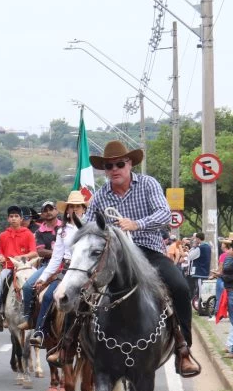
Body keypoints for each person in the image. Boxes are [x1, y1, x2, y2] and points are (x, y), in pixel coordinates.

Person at [84, 140, 199, 377]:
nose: (114, 169)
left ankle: (183, 349)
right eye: (108, 166)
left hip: (148, 252)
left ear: (129, 164)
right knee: (78, 287)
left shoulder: (148, 184)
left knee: (179, 287)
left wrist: (137, 224)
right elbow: (87, 223)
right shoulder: (99, 196)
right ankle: (68, 344)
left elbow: (164, 213)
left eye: (119, 164)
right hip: (114, 256)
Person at [29, 191, 87, 349]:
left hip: (87, 272)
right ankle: (40, 331)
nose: (75, 209)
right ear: (67, 210)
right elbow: (56, 258)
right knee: (48, 295)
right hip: (67, 270)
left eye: (78, 206)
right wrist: (43, 277)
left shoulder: (90, 227)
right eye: (72, 207)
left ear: (84, 209)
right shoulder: (62, 231)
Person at [0, 205, 38, 330]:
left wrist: (21, 257)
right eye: (11, 216)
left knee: (37, 285)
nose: (14, 219)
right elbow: (1, 252)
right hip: (8, 267)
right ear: (8, 219)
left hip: (25, 267)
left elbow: (34, 253)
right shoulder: (3, 235)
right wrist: (1, 257)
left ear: (21, 219)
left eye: (16, 216)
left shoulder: (28, 234)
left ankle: (36, 313)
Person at [20, 200, 62, 328]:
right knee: (27, 287)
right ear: (42, 214)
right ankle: (28, 318)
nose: (48, 212)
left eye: (51, 209)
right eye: (45, 210)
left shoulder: (65, 227)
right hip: (47, 265)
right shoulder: (39, 231)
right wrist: (58, 252)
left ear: (56, 210)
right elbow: (40, 251)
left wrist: (55, 253)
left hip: (67, 265)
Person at [186, 231, 212, 301]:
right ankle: (202, 303)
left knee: (200, 290)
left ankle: (201, 304)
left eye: (195, 239)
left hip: (199, 272)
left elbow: (190, 257)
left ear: (197, 239)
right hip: (205, 271)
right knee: (203, 289)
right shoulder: (208, 246)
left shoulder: (200, 248)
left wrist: (193, 247)